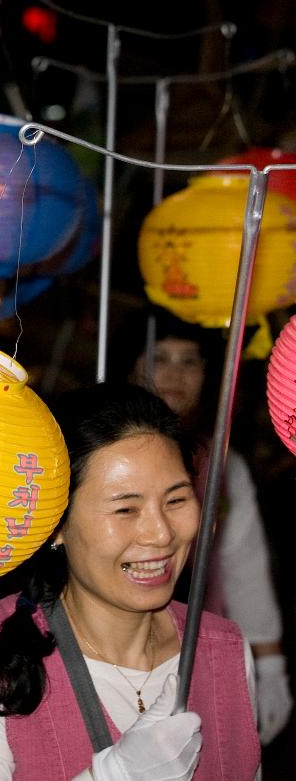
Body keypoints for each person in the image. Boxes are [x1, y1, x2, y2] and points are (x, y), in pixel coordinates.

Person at [0, 382, 260, 780]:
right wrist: (114, 775)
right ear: (56, 525)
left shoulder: (226, 652)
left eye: (176, 500)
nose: (161, 533)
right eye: (126, 508)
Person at [120, 306, 292, 746]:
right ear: (132, 363)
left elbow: (243, 565)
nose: (175, 374)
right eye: (160, 357)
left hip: (190, 649)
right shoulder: (102, 453)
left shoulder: (221, 465)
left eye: (189, 360)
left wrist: (270, 663)